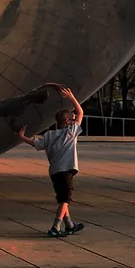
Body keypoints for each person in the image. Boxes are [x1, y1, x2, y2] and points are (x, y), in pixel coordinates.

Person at [17, 85, 85, 238]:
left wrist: (22, 137)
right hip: (66, 171)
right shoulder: (70, 132)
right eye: (73, 120)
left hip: (54, 172)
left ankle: (70, 226)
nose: (75, 122)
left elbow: (36, 144)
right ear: (68, 121)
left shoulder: (48, 135)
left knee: (62, 198)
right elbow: (80, 112)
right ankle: (55, 227)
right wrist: (72, 98)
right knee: (65, 200)